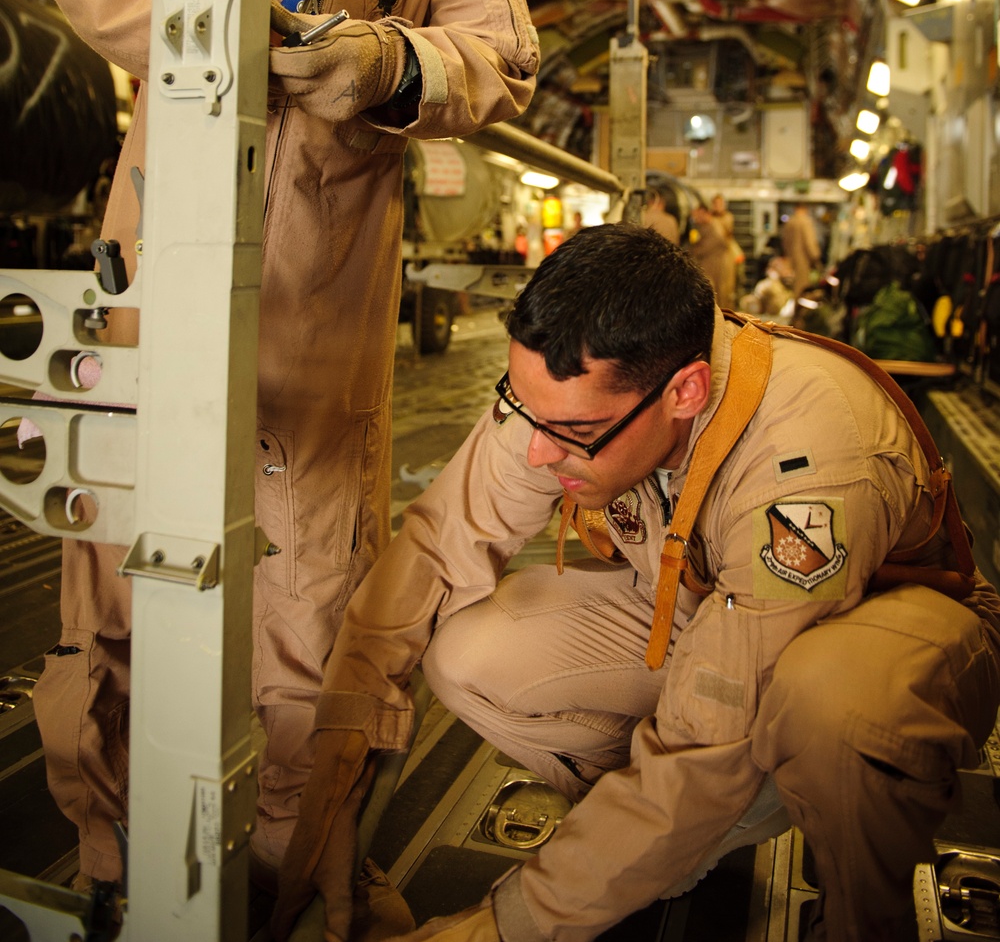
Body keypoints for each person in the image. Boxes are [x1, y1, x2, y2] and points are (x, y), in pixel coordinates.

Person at [40, 0, 539, 891]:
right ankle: (113, 868)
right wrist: (212, 33)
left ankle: (288, 883)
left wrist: (388, 59)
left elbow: (499, 58)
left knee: (316, 613)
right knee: (121, 593)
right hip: (161, 269)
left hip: (325, 308)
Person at [273, 224, 1000, 942]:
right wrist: (342, 741)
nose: (534, 449)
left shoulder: (807, 464)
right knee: (467, 651)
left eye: (570, 431)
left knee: (837, 702)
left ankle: (859, 919)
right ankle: (646, 844)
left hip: (876, 637)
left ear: (685, 391)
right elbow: (437, 545)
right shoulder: (578, 388)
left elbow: (708, 736)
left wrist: (503, 925)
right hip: (707, 613)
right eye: (524, 410)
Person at [687, 202, 734, 305]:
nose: (696, 219)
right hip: (712, 265)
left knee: (719, 297)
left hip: (717, 268)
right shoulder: (706, 226)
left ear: (704, 213)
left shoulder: (714, 227)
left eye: (697, 216)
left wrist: (689, 252)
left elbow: (703, 247)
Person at [783, 203, 822, 298]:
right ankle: (800, 311)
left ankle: (795, 308)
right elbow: (809, 242)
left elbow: (785, 242)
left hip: (792, 260)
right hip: (803, 260)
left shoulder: (790, 222)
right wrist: (816, 257)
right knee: (803, 288)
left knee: (794, 287)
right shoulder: (806, 222)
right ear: (804, 209)